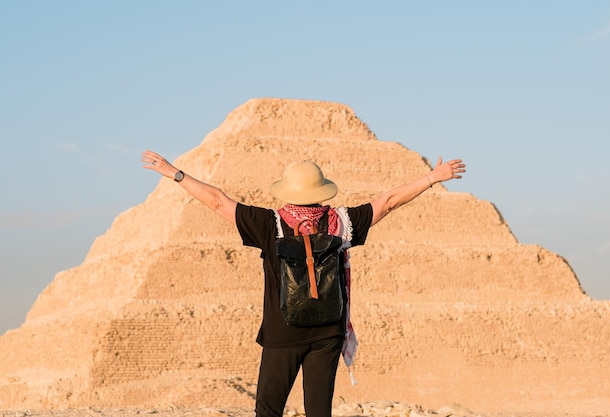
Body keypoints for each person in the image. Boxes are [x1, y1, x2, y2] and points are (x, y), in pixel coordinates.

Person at [141, 149, 465, 417]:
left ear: (287, 191)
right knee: (318, 412)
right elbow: (389, 201)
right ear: (321, 191)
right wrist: (432, 178)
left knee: (268, 410)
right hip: (328, 332)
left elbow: (217, 201)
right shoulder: (342, 223)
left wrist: (176, 173)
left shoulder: (270, 224)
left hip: (282, 333)